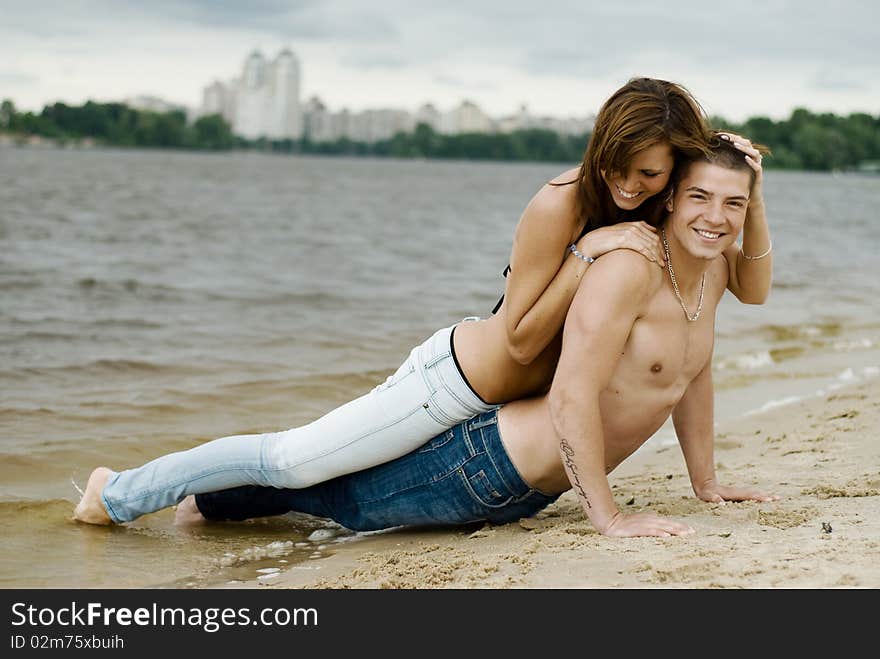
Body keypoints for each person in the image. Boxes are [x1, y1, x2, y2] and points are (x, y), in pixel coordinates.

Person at [73, 78, 773, 526]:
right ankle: (117, 492)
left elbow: (742, 281)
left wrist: (747, 180)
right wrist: (587, 254)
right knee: (293, 460)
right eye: (618, 167)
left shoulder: (656, 217)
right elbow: (524, 340)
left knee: (342, 482)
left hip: (509, 409)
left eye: (650, 175)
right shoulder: (560, 206)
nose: (630, 183)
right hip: (454, 382)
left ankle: (210, 506)